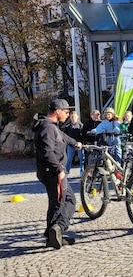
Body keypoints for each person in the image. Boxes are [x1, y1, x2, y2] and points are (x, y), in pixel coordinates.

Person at [33, 99, 82, 249]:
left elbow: (63, 137)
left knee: (60, 202)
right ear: (58, 111)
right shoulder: (47, 128)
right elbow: (47, 153)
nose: (68, 115)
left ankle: (54, 234)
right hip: (52, 172)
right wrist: (59, 170)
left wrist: (76, 143)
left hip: (52, 172)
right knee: (62, 203)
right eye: (66, 112)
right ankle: (56, 231)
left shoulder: (52, 126)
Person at [61, 111, 84, 175]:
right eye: (72, 117)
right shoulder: (67, 126)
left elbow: (83, 135)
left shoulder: (81, 125)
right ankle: (66, 171)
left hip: (79, 144)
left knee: (81, 158)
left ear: (77, 117)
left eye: (74, 116)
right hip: (71, 145)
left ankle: (82, 172)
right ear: (70, 118)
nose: (73, 118)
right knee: (69, 159)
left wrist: (82, 142)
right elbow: (64, 135)